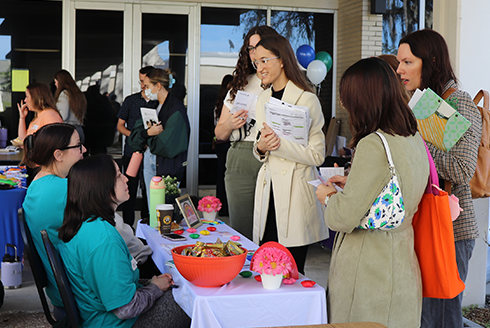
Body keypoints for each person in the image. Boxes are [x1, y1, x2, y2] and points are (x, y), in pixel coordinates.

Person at [316, 57, 428, 326]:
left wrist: (327, 196)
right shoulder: (412, 136)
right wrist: (352, 183)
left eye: (347, 98)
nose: (345, 105)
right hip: (402, 263)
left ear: (363, 99)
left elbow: (342, 218)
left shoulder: (374, 144)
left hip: (368, 269)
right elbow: (393, 189)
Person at [22, 124, 161, 320]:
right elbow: (116, 236)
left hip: (71, 287)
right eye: (78, 145)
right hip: (85, 295)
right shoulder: (65, 191)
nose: (84, 150)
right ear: (58, 155)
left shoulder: (38, 184)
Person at [397, 29, 482, 328]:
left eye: (407, 62)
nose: (399, 70)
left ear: (430, 61)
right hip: (422, 221)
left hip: (451, 229)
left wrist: (417, 140)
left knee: (441, 318)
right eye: (399, 62)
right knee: (422, 315)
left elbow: (461, 170)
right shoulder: (418, 101)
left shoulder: (461, 104)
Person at [57, 155, 190, 328]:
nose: (126, 178)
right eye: (119, 175)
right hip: (114, 323)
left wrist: (149, 284)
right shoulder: (104, 241)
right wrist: (154, 288)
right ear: (102, 187)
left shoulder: (86, 223)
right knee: (191, 304)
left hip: (100, 314)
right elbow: (125, 309)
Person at [252, 34, 328, 275]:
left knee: (290, 272)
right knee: (266, 266)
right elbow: (259, 146)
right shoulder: (263, 98)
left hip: (295, 193)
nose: (260, 68)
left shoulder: (307, 99)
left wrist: (278, 145)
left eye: (265, 60)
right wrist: (262, 147)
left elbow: (318, 155)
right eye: (257, 62)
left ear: (282, 60)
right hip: (269, 190)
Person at [214, 25, 279, 239]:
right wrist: (231, 123)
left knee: (272, 231)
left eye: (258, 47)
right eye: (250, 48)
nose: (254, 53)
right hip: (240, 157)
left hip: (275, 155)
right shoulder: (240, 84)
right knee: (242, 231)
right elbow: (219, 133)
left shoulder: (282, 83)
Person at [128, 68, 190, 207]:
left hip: (167, 165)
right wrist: (148, 134)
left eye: (148, 86)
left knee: (165, 209)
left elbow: (165, 145)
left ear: (158, 86)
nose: (145, 90)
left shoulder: (176, 109)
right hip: (149, 161)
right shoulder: (152, 105)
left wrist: (145, 138)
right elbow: (134, 138)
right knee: (152, 208)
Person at [117, 66, 157, 227]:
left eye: (145, 81)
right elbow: (120, 125)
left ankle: (147, 226)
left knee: (150, 190)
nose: (142, 85)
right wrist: (135, 137)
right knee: (129, 190)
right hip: (132, 152)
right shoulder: (131, 100)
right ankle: (128, 227)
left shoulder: (159, 102)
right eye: (140, 81)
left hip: (152, 152)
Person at [213, 74, 233, 216]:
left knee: (221, 175)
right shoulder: (229, 104)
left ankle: (221, 208)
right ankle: (226, 207)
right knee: (227, 176)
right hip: (228, 143)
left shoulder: (218, 105)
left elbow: (216, 123)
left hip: (220, 143)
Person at [53, 69, 87, 141]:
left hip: (68, 131)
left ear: (61, 82)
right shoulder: (78, 94)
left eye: (56, 82)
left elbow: (63, 116)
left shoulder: (64, 94)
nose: (55, 84)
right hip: (79, 129)